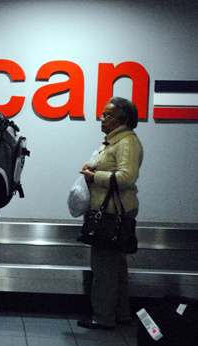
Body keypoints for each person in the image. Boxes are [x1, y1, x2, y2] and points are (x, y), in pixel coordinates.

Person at [77, 97, 143, 330]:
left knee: (104, 269)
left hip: (112, 213)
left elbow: (126, 177)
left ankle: (102, 317)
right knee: (117, 268)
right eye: (104, 114)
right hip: (114, 212)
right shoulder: (114, 142)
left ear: (123, 120)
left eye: (109, 115)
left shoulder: (127, 143)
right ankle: (121, 313)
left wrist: (94, 177)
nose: (103, 119)